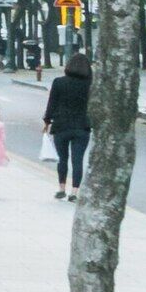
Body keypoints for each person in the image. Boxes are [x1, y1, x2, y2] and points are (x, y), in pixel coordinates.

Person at [46, 55, 93, 197]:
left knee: (62, 159)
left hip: (61, 126)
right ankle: (75, 192)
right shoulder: (89, 85)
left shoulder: (59, 82)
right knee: (77, 160)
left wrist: (47, 120)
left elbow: (52, 104)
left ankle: (61, 189)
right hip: (82, 126)